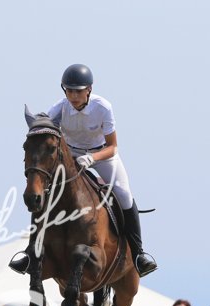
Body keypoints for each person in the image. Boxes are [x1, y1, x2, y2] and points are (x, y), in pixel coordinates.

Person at [9, 63, 158, 277]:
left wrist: (92, 158)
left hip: (103, 155)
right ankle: (31, 253)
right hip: (72, 156)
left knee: (124, 195)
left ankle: (139, 255)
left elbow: (113, 147)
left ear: (89, 89)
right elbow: (46, 130)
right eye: (69, 91)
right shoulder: (60, 108)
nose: (73, 96)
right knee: (44, 193)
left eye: (78, 91)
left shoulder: (103, 107)